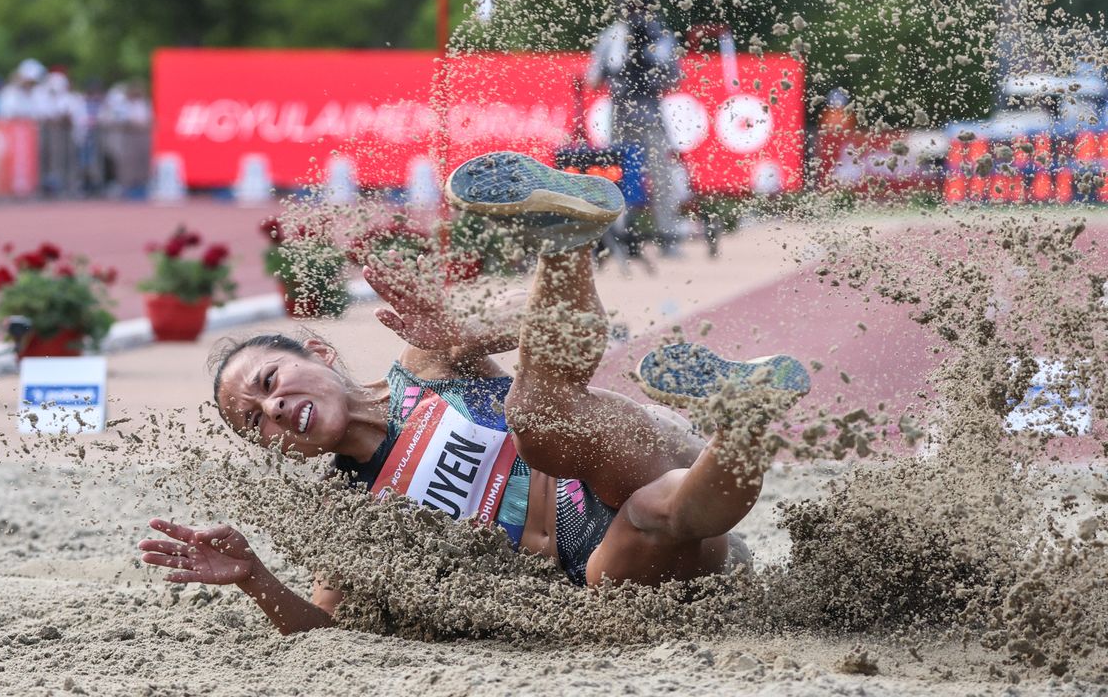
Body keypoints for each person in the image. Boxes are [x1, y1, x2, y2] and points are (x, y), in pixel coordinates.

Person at [139, 151, 803, 635]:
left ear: (317, 353)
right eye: (256, 424)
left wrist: (467, 334)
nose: (273, 410)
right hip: (616, 563)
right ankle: (747, 421)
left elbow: (579, 334)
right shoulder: (345, 517)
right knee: (648, 515)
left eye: (268, 383)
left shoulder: (426, 365)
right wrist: (256, 577)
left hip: (615, 448)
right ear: (279, 450)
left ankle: (566, 243)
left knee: (538, 415)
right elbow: (326, 630)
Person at [586, 0, 684, 254]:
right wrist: (615, 72)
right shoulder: (612, 36)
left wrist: (651, 68)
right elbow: (594, 77)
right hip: (622, 114)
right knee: (619, 178)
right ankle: (619, 237)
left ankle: (668, 238)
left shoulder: (659, 36)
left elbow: (674, 76)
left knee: (662, 178)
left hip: (650, 115)